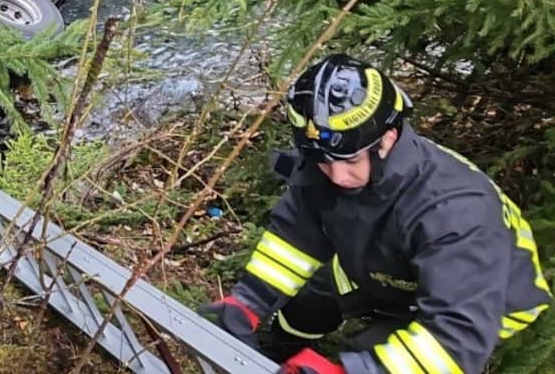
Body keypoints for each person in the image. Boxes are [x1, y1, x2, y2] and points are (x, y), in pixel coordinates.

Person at [199, 54, 551, 374]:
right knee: (312, 300)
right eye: (324, 163)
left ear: (388, 138)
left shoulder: (456, 211)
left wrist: (352, 371)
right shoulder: (330, 159)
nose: (337, 177)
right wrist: (246, 302)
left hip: (475, 302)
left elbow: (457, 336)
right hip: (382, 260)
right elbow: (294, 238)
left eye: (350, 161)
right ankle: (279, 347)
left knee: (371, 354)